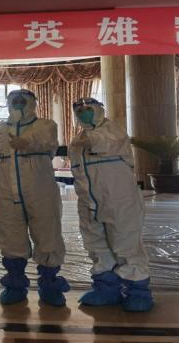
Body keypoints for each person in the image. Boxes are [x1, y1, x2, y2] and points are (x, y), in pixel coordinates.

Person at [68, 97, 154, 312]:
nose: (83, 112)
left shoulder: (113, 131)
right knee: (96, 245)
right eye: (79, 110)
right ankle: (106, 288)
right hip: (89, 202)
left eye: (88, 108)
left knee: (126, 244)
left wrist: (90, 137)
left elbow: (103, 143)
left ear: (99, 109)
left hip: (119, 200)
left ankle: (137, 291)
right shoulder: (77, 140)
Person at [0, 89, 70, 306]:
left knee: (48, 236)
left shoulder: (45, 126)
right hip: (7, 196)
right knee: (10, 238)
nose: (18, 104)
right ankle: (15, 285)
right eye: (14, 101)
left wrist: (26, 142)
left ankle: (50, 284)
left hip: (41, 194)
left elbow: (48, 142)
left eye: (23, 101)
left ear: (33, 103)